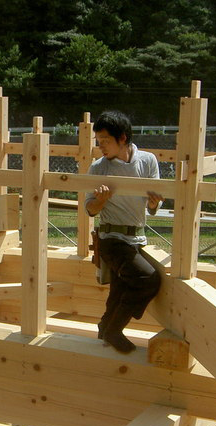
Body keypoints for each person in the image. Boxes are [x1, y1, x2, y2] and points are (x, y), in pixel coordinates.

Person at [85, 110, 164, 354]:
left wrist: (153, 204)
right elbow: (90, 209)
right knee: (148, 279)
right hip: (111, 239)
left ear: (122, 138)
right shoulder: (98, 168)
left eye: (105, 140)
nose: (101, 146)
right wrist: (101, 201)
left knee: (120, 289)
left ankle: (105, 326)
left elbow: (155, 204)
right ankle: (114, 330)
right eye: (98, 141)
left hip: (137, 237)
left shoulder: (147, 161)